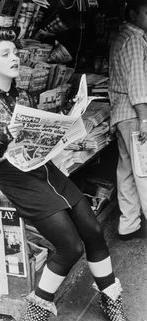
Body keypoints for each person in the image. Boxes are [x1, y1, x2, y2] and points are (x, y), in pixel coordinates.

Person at [0, 26, 136, 321]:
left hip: (43, 170)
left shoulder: (24, 96)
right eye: (6, 54)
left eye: (15, 52)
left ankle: (111, 301)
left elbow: (40, 142)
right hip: (15, 179)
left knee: (92, 229)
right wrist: (1, 140)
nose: (15, 57)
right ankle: (37, 312)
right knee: (69, 246)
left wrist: (62, 131)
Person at [109, 0, 147, 241]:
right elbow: (137, 84)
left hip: (122, 115)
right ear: (133, 14)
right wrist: (145, 119)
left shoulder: (123, 36)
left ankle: (129, 224)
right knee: (144, 171)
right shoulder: (134, 40)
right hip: (135, 115)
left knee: (127, 169)